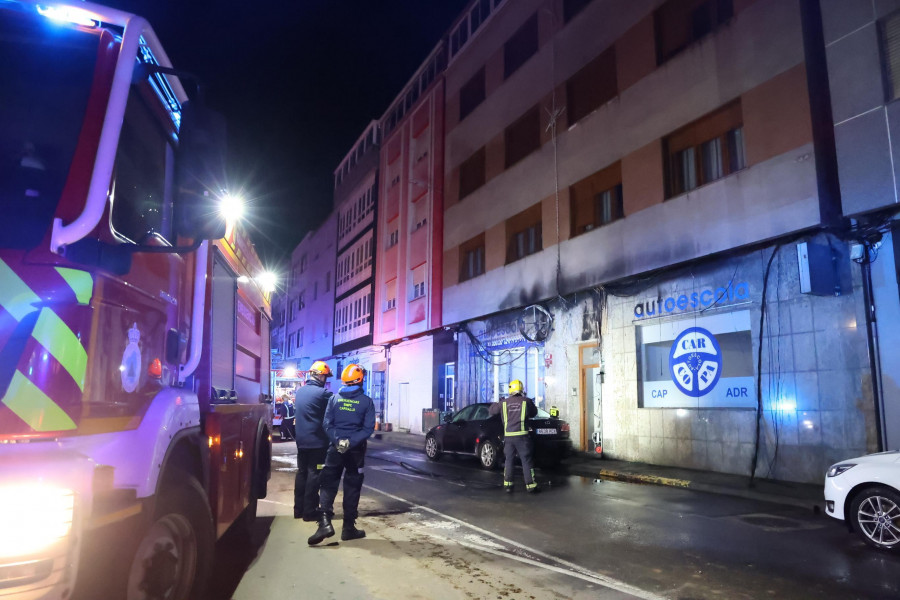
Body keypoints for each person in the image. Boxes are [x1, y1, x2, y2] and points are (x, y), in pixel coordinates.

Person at [308, 364, 375, 545]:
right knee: (352, 486)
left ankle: (324, 523)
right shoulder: (366, 402)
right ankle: (348, 528)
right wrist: (350, 442)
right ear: (360, 380)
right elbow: (368, 429)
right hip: (355, 452)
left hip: (335, 449)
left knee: (329, 484)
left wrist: (338, 441)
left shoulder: (334, 399)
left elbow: (327, 424)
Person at [293, 361, 333, 521]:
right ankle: (310, 512)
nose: (325, 379)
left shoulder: (300, 391)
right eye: (325, 376)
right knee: (315, 474)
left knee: (302, 473)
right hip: (317, 444)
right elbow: (337, 404)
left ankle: (298, 510)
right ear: (321, 375)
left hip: (301, 442)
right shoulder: (323, 393)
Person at [490, 379, 539, 494]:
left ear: (510, 390)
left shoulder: (503, 403)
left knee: (509, 460)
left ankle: (508, 485)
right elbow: (534, 412)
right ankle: (531, 486)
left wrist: (499, 401)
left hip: (509, 438)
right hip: (523, 437)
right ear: (521, 389)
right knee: (526, 461)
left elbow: (492, 410)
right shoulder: (526, 401)